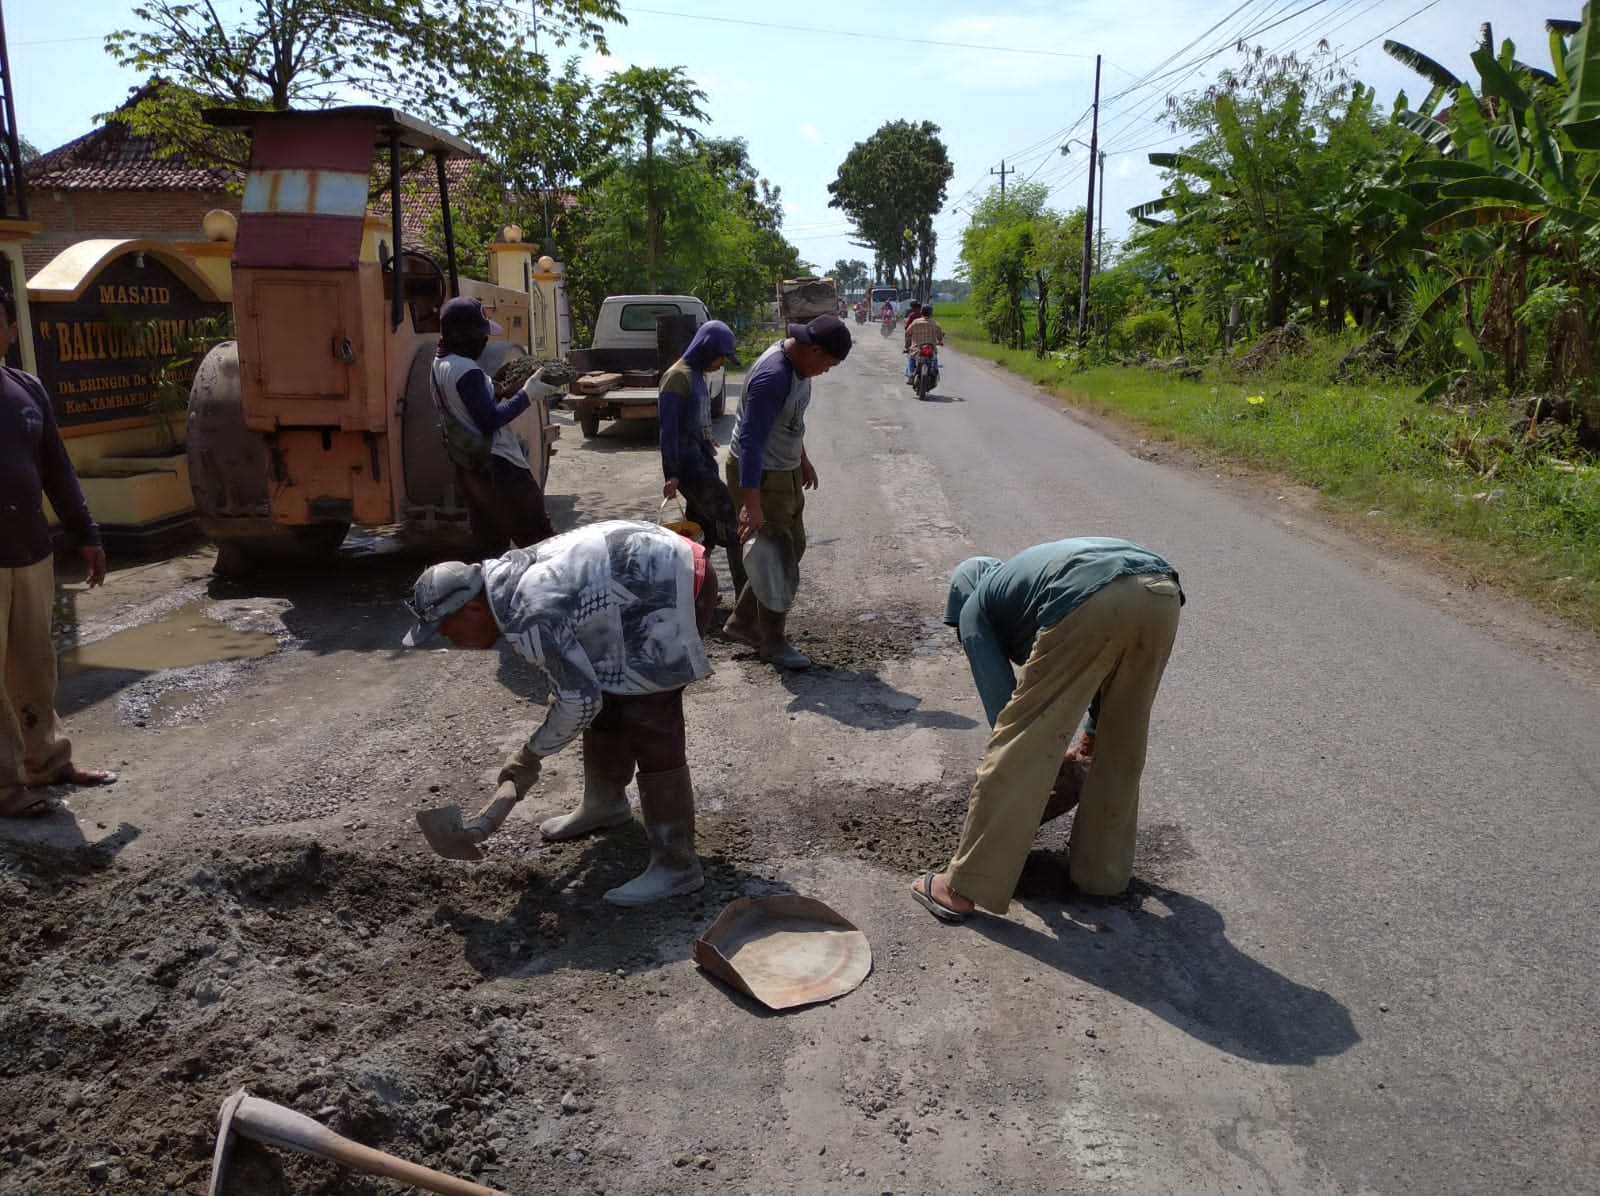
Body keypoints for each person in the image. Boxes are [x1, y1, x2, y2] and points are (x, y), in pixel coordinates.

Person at [402, 520, 718, 905]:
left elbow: (577, 701)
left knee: (650, 714)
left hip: (671, 578)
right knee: (607, 686)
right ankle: (605, 805)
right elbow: (584, 690)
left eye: (447, 630)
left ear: (471, 607)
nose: (450, 641)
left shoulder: (527, 612)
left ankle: (677, 864)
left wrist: (528, 757)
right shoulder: (499, 581)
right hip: (641, 569)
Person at [911, 537, 1185, 921]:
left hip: (1090, 591)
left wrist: (1045, 769)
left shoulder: (975, 607)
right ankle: (1100, 876)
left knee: (1018, 746)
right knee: (1121, 741)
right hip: (1161, 592)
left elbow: (1008, 719)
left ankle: (960, 888)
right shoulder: (1021, 586)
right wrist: (1089, 737)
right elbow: (1100, 669)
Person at [1, 286, 116, 818]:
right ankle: (4, 788)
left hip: (31, 553)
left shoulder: (27, 390)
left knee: (34, 665)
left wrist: (87, 533)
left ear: (10, 329)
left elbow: (57, 470)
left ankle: (45, 762)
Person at [721, 314, 852, 669]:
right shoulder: (773, 376)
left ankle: (744, 620)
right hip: (760, 474)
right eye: (827, 362)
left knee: (793, 546)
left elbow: (791, 422)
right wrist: (751, 505)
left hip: (785, 468)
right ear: (813, 349)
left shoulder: (799, 368)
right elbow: (749, 443)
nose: (827, 370)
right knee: (775, 556)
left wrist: (803, 460)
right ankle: (772, 642)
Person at [431, 295, 558, 560]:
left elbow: (470, 404)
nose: (485, 339)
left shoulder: (439, 364)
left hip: (471, 468)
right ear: (459, 335)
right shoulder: (467, 370)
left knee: (490, 547)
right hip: (501, 469)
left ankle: (492, 595)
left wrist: (504, 390)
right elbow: (489, 421)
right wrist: (527, 395)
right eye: (480, 333)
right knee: (541, 544)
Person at [658, 320, 739, 581]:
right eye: (720, 357)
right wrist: (671, 473)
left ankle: (696, 585)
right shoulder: (676, 377)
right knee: (730, 517)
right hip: (689, 467)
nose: (721, 364)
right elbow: (668, 429)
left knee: (701, 528)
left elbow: (694, 419)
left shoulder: (697, 374)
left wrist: (706, 439)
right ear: (706, 348)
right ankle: (746, 591)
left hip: (701, 460)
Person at [904, 302, 945, 384]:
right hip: (931, 348)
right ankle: (935, 373)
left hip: (917, 349)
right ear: (931, 313)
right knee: (934, 359)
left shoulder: (916, 322)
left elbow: (907, 333)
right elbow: (940, 335)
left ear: (921, 312)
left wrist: (907, 345)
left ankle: (910, 374)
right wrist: (940, 341)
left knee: (911, 358)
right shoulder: (935, 323)